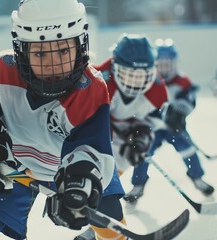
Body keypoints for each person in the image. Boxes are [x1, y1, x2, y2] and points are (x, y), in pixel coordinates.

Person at [0, 0, 127, 239]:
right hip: (12, 168)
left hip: (72, 169)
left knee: (109, 218)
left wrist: (79, 180)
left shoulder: (90, 88)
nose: (53, 65)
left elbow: (91, 147)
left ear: (80, 46)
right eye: (40, 52)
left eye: (63, 50)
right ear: (22, 50)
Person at [74, 34, 168, 240]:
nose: (135, 82)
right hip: (100, 129)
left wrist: (141, 134)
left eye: (141, 76)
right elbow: (90, 120)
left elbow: (154, 120)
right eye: (129, 74)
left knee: (124, 160)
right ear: (115, 68)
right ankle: (104, 223)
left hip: (126, 128)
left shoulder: (158, 90)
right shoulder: (98, 79)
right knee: (102, 170)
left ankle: (100, 224)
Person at [124, 40, 214, 204]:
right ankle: (138, 185)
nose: (165, 68)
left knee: (188, 150)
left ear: (175, 64)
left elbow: (190, 101)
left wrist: (179, 113)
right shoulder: (149, 80)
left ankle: (197, 178)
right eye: (161, 64)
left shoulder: (182, 81)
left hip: (174, 128)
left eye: (168, 64)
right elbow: (139, 103)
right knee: (143, 154)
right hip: (153, 128)